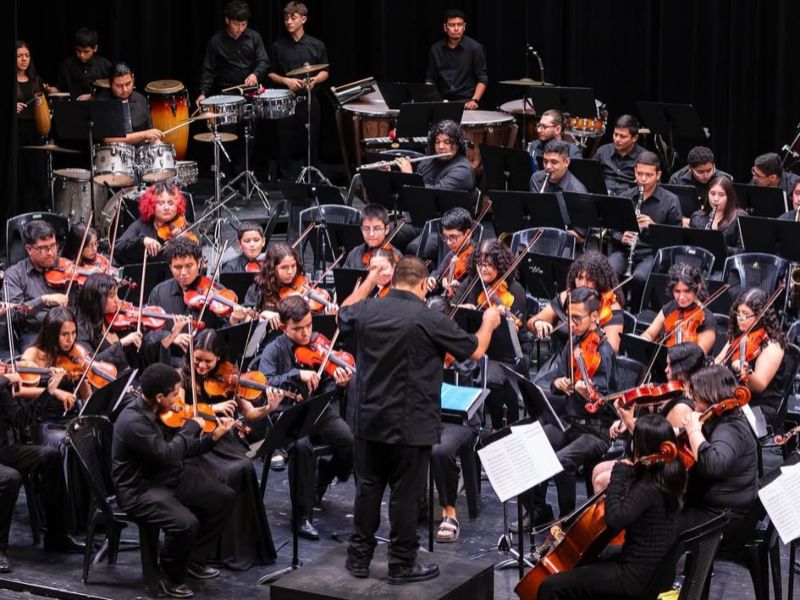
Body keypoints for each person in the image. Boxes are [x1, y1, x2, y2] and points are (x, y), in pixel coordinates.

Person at [339, 256, 501, 583]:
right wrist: (489, 321)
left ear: (393, 279)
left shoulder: (368, 309)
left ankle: (358, 559)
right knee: (404, 495)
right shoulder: (428, 318)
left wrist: (371, 279)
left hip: (368, 419)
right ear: (425, 283)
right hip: (409, 424)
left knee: (368, 489)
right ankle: (401, 563)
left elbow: (342, 311)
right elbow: (475, 351)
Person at [111, 363, 237, 598]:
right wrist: (189, 428)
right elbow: (168, 455)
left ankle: (192, 560)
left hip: (164, 476)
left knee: (223, 497)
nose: (178, 399)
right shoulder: (134, 422)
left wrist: (213, 438)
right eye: (174, 394)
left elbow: (178, 451)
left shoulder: (159, 412)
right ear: (159, 397)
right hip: (138, 488)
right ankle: (169, 577)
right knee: (185, 523)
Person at [537, 413, 686, 600]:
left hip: (633, 578)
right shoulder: (671, 475)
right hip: (656, 570)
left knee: (551, 586)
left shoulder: (648, 487)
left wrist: (618, 477)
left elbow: (615, 519)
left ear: (641, 447)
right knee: (594, 557)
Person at [257, 295, 353, 541]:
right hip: (286, 416)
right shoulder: (273, 350)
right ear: (283, 327)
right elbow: (262, 383)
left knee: (350, 442)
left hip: (317, 409)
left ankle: (323, 477)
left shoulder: (318, 344)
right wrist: (295, 374)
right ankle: (301, 517)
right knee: (301, 447)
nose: (306, 333)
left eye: (309, 326)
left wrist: (339, 384)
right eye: (298, 329)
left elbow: (329, 386)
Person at [181, 329, 278, 569]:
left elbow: (250, 413)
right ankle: (216, 547)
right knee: (232, 472)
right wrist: (212, 409)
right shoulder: (182, 377)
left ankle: (243, 547)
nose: (201, 365)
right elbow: (182, 411)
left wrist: (268, 408)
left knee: (245, 467)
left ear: (219, 359)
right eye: (198, 360)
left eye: (208, 361)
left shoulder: (228, 376)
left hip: (225, 441)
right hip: (199, 443)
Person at [524, 287, 617, 527]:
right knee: (533, 447)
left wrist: (589, 394)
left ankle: (568, 521)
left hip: (596, 430)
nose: (571, 324)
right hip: (571, 422)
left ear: (594, 317)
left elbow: (603, 397)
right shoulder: (573, 343)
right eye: (569, 317)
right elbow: (556, 380)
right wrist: (559, 383)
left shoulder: (603, 352)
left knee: (560, 463)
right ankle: (539, 509)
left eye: (577, 318)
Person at [592, 342, 704, 492]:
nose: (665, 371)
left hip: (657, 470)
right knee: (597, 470)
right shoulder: (672, 393)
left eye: (670, 367)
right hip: (647, 461)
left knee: (601, 480)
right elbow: (655, 421)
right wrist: (632, 418)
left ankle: (616, 513)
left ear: (682, 371)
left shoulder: (681, 408)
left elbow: (658, 448)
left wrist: (630, 422)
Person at [676, 365, 758, 534]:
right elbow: (678, 433)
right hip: (716, 509)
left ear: (709, 395)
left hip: (719, 518)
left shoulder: (730, 428)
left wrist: (694, 430)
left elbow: (713, 465)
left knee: (658, 527)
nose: (693, 401)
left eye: (695, 395)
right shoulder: (720, 418)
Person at [197, 0, 269, 179]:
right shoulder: (215, 41)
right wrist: (203, 93)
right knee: (227, 138)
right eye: (237, 24)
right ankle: (226, 179)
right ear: (227, 20)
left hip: (250, 95)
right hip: (226, 96)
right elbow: (208, 71)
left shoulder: (254, 37)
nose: (240, 28)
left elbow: (263, 61)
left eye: (244, 24)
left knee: (248, 139)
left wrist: (255, 74)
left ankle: (244, 177)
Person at [460, 239, 528, 429]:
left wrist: (504, 316)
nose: (484, 270)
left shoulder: (515, 290)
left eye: (489, 265)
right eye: (480, 264)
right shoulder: (472, 282)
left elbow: (514, 329)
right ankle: (467, 426)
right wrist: (465, 308)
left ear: (500, 265)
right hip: (476, 348)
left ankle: (500, 425)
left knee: (487, 378)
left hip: (505, 355)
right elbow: (454, 308)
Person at [607, 151, 682, 310]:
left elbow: (676, 239)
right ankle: (613, 311)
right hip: (625, 251)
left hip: (651, 253)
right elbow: (612, 229)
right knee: (609, 271)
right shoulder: (626, 196)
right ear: (635, 172)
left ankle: (635, 314)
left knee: (640, 278)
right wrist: (621, 237)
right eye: (640, 173)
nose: (643, 179)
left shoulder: (670, 201)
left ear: (658, 175)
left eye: (648, 175)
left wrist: (653, 227)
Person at [268, 1, 329, 179]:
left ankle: (311, 177)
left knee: (311, 139)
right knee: (284, 141)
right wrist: (286, 80)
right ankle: (285, 179)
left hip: (309, 99)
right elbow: (270, 73)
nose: (288, 21)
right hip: (286, 100)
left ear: (303, 19)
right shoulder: (277, 46)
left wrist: (315, 80)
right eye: (286, 18)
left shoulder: (316, 45)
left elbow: (325, 71)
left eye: (293, 18)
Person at [715, 288, 787, 433]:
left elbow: (759, 385)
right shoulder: (740, 336)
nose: (740, 318)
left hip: (759, 405)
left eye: (746, 315)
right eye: (738, 313)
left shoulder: (772, 345)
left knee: (720, 422)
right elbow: (719, 359)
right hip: (734, 397)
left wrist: (747, 371)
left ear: (761, 316)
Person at [528, 251, 625, 354]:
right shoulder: (567, 297)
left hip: (591, 363)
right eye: (580, 278)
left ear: (599, 281)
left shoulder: (610, 306)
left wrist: (593, 330)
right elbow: (531, 322)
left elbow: (613, 347)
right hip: (560, 359)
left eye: (589, 279)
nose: (583, 284)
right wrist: (537, 323)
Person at [5, 220, 69, 348]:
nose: (51, 253)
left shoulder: (66, 267)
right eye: (43, 248)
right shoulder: (14, 274)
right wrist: (42, 300)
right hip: (36, 333)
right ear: (29, 249)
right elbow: (13, 313)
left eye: (53, 245)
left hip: (69, 330)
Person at [640, 263, 717, 355]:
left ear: (698, 287)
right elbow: (649, 334)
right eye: (677, 291)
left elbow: (698, 356)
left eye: (687, 291)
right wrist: (643, 341)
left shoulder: (707, 319)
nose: (681, 297)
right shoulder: (671, 307)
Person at [113, 182, 194, 265]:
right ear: (151, 205)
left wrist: (184, 243)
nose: (166, 208)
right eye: (161, 203)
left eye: (171, 203)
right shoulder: (141, 224)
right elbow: (117, 248)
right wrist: (142, 241)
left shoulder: (184, 227)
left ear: (177, 205)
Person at [424, 9, 487, 109]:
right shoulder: (435, 49)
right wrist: (431, 97)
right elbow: (431, 78)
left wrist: (474, 100)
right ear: (445, 27)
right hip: (441, 102)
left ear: (464, 26)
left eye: (459, 24)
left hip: (466, 102)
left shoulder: (475, 48)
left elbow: (482, 79)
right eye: (452, 25)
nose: (456, 29)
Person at [529, 140, 589, 242]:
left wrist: (552, 232)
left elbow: (581, 237)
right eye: (545, 161)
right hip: (536, 238)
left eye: (554, 162)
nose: (547, 167)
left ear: (566, 162)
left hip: (564, 243)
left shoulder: (578, 191)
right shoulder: (536, 179)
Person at [15, 41, 51, 211]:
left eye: (27, 55)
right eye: (19, 56)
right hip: (16, 132)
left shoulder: (36, 80)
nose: (24, 59)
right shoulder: (9, 82)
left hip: (35, 132)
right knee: (19, 176)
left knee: (37, 177)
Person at [396, 120, 475, 192]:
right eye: (437, 142)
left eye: (447, 142)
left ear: (457, 145)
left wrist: (410, 177)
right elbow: (411, 193)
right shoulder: (426, 163)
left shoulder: (463, 171)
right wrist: (389, 174)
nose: (440, 146)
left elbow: (437, 192)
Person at [97, 62, 163, 145]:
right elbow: (107, 139)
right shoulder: (102, 102)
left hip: (141, 153)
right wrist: (144, 134)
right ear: (110, 84)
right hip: (113, 154)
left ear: (133, 78)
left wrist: (157, 142)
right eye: (119, 86)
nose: (125, 89)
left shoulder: (141, 99)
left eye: (128, 84)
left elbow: (149, 130)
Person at [688, 175, 747, 256]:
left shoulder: (740, 217)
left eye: (721, 195)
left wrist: (718, 247)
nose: (715, 199)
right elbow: (690, 245)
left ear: (729, 197)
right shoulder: (697, 216)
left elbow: (744, 251)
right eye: (712, 193)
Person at [425, 207, 475, 298]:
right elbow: (439, 272)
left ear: (468, 234)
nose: (448, 242)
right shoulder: (454, 252)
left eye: (453, 237)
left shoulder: (476, 258)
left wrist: (457, 287)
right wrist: (432, 278)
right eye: (446, 237)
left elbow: (473, 292)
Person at [593, 114, 646, 196]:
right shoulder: (603, 151)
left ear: (634, 138)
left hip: (629, 199)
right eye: (615, 134)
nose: (617, 139)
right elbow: (590, 177)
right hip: (602, 195)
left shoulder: (644, 157)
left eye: (622, 136)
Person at [54, 27, 111, 100]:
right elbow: (60, 89)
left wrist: (91, 96)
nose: (81, 55)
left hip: (98, 107)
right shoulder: (66, 66)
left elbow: (112, 90)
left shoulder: (104, 65)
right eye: (78, 50)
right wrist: (52, 90)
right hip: (73, 107)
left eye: (86, 51)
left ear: (95, 48)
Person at [668, 146, 733, 209]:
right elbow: (671, 206)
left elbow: (731, 208)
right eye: (701, 172)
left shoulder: (725, 179)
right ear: (690, 169)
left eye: (709, 170)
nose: (706, 175)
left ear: (713, 165)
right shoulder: (677, 179)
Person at [343, 204, 404, 270]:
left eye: (376, 228)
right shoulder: (354, 254)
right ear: (361, 229)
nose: (371, 234)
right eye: (366, 228)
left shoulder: (396, 257)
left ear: (386, 229)